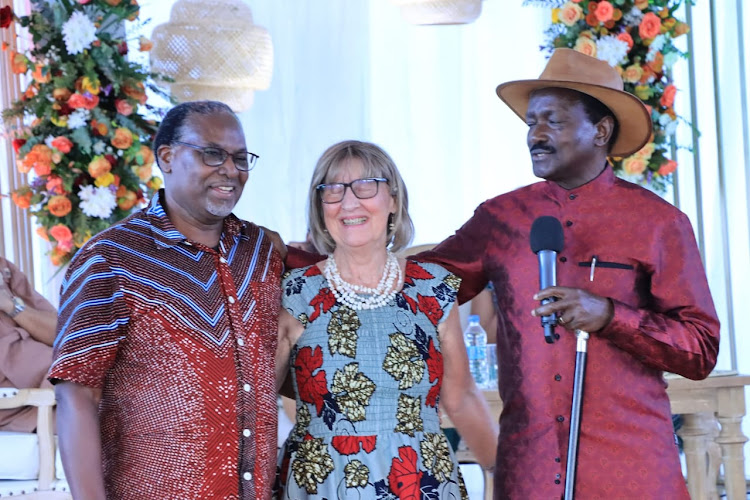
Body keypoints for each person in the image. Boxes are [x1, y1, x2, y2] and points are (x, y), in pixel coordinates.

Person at [417, 48, 720, 498]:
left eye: (552, 121)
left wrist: (612, 316)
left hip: (631, 468)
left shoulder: (658, 222)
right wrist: (315, 259)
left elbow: (700, 349)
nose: (534, 135)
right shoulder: (501, 218)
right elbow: (415, 288)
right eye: (531, 123)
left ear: (600, 130)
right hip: (530, 472)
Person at [49, 101, 283, 500]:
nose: (231, 169)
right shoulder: (111, 258)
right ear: (167, 157)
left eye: (241, 158)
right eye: (212, 153)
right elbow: (76, 393)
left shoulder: (262, 251)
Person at [274, 140, 498, 498]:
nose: (349, 202)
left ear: (393, 199)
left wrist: (501, 473)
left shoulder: (433, 289)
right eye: (332, 189)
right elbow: (257, 400)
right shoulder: (294, 292)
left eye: (366, 186)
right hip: (323, 485)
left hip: (422, 481)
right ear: (320, 206)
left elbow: (462, 397)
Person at [0, 257, 57, 432]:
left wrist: (10, 306)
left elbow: (60, 333)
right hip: (18, 405)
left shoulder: (4, 269)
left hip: (57, 382)